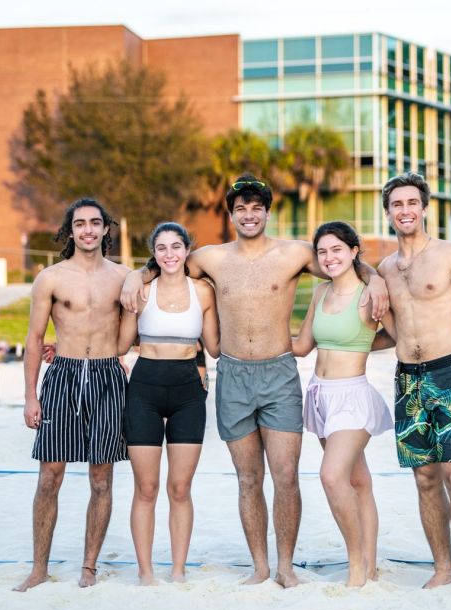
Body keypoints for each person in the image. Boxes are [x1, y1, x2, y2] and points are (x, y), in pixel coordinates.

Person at [121, 173, 389, 587]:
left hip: (279, 371)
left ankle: (285, 567)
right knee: (248, 478)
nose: (249, 214)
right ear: (231, 214)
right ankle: (260, 565)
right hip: (232, 374)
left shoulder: (295, 253)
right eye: (240, 208)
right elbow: (164, 264)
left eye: (256, 207)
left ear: (267, 211)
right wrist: (133, 277)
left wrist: (378, 279)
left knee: (285, 476)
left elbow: (345, 264)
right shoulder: (210, 258)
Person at [376, 172, 451, 593]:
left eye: (411, 203)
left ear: (424, 208)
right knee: (424, 478)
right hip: (407, 381)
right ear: (388, 213)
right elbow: (390, 332)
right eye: (397, 205)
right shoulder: (385, 268)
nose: (405, 211)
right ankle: (444, 568)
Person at [14, 197, 130, 592]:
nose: (88, 230)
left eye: (95, 223)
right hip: (62, 375)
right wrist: (30, 397)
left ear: (105, 229)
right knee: (50, 475)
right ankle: (39, 567)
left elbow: (145, 324)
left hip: (106, 375)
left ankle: (89, 566)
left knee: (102, 477)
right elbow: (33, 339)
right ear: (70, 231)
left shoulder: (123, 277)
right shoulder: (50, 278)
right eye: (80, 224)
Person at [292, 221, 394, 587]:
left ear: (353, 252)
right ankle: (369, 565)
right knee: (358, 481)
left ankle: (355, 565)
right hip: (319, 394)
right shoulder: (320, 292)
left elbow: (398, 334)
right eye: (322, 251)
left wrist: (364, 342)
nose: (329, 257)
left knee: (332, 477)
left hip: (353, 396)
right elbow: (302, 345)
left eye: (337, 249)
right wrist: (251, 340)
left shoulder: (370, 293)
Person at [117, 222, 220, 585]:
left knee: (180, 488)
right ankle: (145, 572)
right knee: (146, 488)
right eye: (161, 248)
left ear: (188, 249)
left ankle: (178, 570)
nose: (170, 254)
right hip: (144, 389)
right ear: (154, 253)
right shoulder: (142, 290)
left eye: (176, 246)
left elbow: (216, 346)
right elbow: (118, 345)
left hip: (187, 391)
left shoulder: (203, 292)